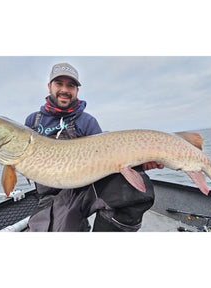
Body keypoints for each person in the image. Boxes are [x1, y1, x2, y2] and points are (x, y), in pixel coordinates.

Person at [25, 62, 163, 232]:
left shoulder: (87, 122)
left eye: (71, 85)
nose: (65, 90)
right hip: (50, 196)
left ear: (77, 90)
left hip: (83, 190)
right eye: (59, 83)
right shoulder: (33, 121)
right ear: (49, 86)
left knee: (132, 191)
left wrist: (140, 164)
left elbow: (108, 159)